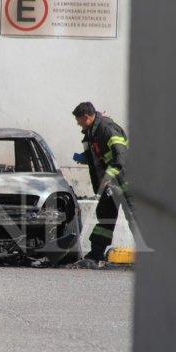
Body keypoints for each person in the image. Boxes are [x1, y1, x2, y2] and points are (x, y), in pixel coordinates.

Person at [72, 102, 135, 268]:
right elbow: (100, 155)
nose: (78, 124)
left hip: (125, 181)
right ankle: (96, 254)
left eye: (79, 121)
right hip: (110, 184)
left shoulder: (107, 128)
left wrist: (109, 176)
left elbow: (121, 156)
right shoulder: (92, 132)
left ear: (86, 117)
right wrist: (86, 158)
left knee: (135, 218)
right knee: (105, 218)